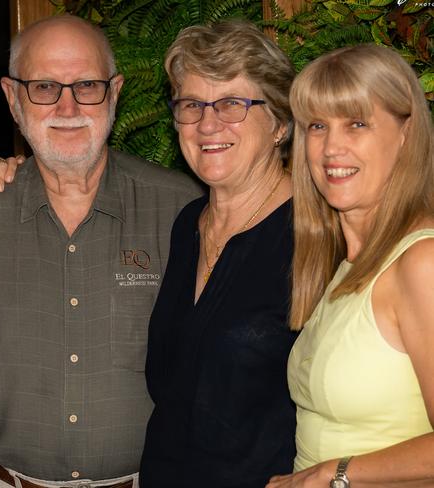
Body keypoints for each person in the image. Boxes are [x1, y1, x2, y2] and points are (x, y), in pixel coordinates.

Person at [0, 15, 202, 488]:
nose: (67, 105)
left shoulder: (182, 209)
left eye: (87, 85)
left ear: (115, 93)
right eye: (43, 87)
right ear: (12, 98)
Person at [139, 21, 298, 487]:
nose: (208, 124)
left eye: (232, 103)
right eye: (192, 104)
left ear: (281, 123)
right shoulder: (188, 223)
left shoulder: (320, 234)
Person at [267, 44, 434, 488]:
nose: (331, 147)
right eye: (317, 126)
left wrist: (330, 474)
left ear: (406, 132)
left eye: (356, 123)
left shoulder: (422, 262)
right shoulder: (345, 261)